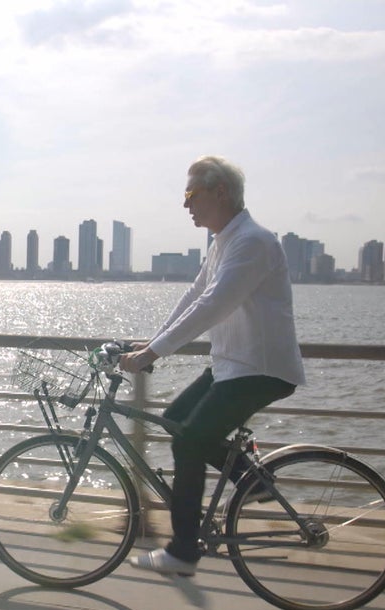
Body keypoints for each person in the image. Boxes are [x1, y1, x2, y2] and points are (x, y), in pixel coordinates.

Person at [120, 155, 305, 577]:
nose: (186, 205)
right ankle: (252, 480)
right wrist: (153, 341)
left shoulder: (253, 241)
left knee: (190, 443)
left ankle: (183, 552)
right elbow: (193, 296)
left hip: (260, 367)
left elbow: (214, 304)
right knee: (176, 420)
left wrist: (153, 354)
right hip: (231, 364)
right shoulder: (224, 240)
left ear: (220, 192)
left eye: (191, 195)